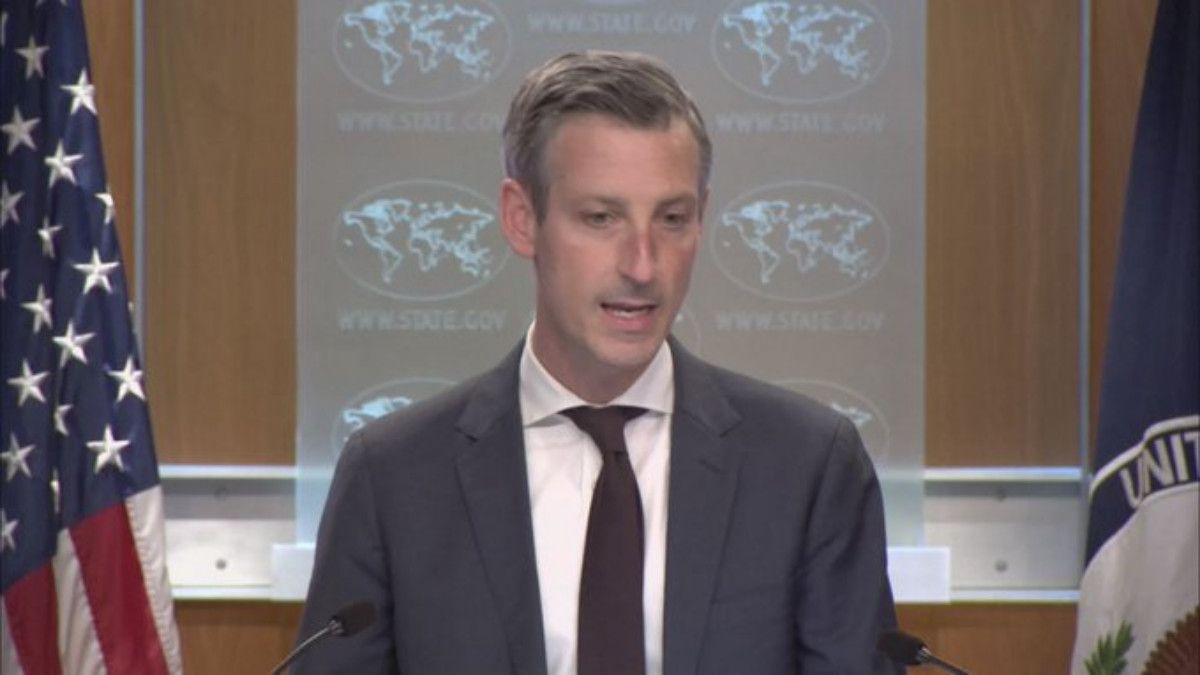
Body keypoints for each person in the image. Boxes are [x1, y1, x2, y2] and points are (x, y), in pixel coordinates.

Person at [296, 50, 901, 674]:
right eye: (601, 218)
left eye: (672, 219)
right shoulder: (394, 478)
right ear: (522, 219)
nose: (642, 264)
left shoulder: (807, 467)